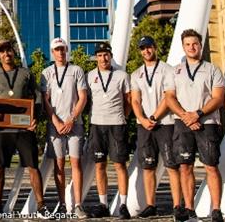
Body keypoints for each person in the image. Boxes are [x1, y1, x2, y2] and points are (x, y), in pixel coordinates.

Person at [0, 40, 51, 219]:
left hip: (24, 129)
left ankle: (41, 205)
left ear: (13, 53)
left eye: (9, 51)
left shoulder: (26, 74)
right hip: (1, 130)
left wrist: (35, 118)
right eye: (3, 52)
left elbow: (37, 97)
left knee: (32, 167)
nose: (7, 54)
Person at [166, 29, 225, 222]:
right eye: (188, 44)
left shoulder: (212, 69)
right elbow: (169, 97)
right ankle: (189, 209)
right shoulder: (175, 70)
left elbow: (218, 98)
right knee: (185, 166)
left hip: (207, 122)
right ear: (183, 47)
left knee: (211, 166)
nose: (192, 47)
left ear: (200, 45)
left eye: (195, 44)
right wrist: (185, 115)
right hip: (183, 123)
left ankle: (216, 210)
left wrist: (197, 114)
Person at [129, 36, 182, 218]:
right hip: (144, 126)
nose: (146, 51)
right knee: (148, 166)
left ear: (155, 47)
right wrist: (142, 119)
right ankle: (150, 204)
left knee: (171, 165)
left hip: (165, 123)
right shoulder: (136, 74)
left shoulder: (168, 70)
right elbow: (135, 100)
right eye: (143, 48)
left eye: (149, 47)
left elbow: (168, 97)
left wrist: (153, 117)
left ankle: (177, 205)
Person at [39, 38, 88, 217]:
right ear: (52, 52)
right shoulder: (46, 72)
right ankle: (61, 203)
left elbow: (83, 97)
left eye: (63, 49)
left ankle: (78, 204)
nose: (60, 52)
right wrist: (57, 122)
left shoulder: (76, 70)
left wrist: (71, 119)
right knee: (58, 164)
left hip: (75, 123)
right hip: (55, 125)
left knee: (76, 162)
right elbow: (45, 100)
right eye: (57, 50)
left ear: (67, 50)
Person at [86, 42, 132, 219]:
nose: (103, 58)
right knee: (100, 165)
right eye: (99, 55)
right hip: (97, 125)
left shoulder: (122, 75)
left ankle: (123, 205)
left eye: (106, 55)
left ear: (110, 56)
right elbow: (87, 100)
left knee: (119, 164)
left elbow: (128, 100)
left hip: (117, 125)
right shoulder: (90, 76)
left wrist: (123, 117)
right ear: (96, 57)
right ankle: (103, 204)